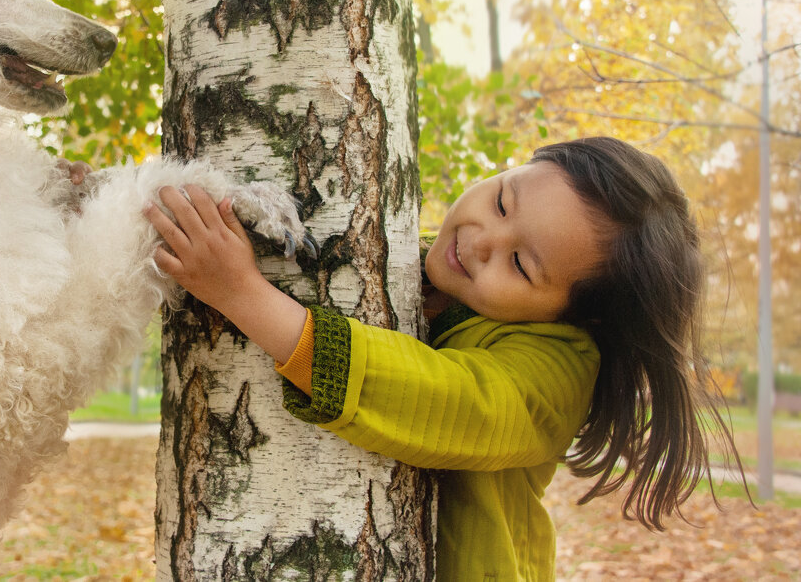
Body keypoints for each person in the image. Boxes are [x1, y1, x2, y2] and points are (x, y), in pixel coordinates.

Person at [142, 136, 740, 582]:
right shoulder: (424, 274)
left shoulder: (558, 373)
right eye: (503, 201)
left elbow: (444, 400)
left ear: (576, 314)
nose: (480, 240)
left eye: (521, 265)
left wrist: (243, 295)